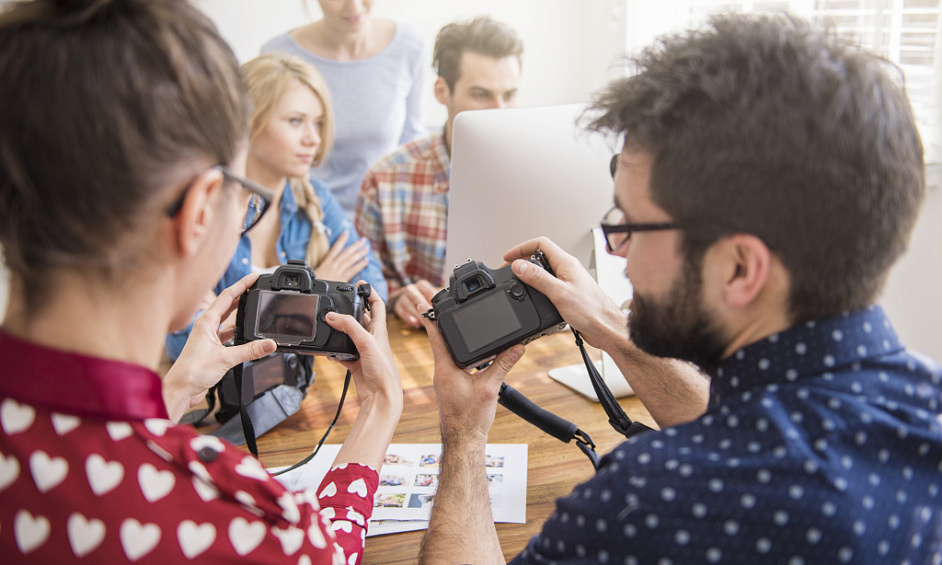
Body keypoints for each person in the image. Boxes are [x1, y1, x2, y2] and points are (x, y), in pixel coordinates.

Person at [417, 13, 941, 564]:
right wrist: (614, 331)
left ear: (740, 268)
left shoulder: (650, 501)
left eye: (630, 225)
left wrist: (464, 437)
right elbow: (741, 432)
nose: (615, 251)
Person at [0, 0, 402, 562]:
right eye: (246, 200)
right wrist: (381, 406)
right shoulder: (233, 510)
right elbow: (323, 553)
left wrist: (173, 395)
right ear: (200, 212)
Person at [164, 52, 388, 360]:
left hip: (300, 387)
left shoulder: (316, 197)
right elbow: (183, 343)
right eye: (296, 121)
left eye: (318, 123)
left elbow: (374, 294)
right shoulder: (208, 209)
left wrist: (251, 318)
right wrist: (313, 297)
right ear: (248, 122)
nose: (314, 139)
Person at [355, 15, 523, 328]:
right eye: (481, 94)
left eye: (509, 94)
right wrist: (395, 297)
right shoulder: (385, 181)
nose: (500, 111)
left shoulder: (535, 172)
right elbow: (361, 286)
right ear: (441, 91)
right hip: (430, 340)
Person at [262, 0, 427, 219]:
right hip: (308, 216)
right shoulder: (279, 55)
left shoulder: (410, 47)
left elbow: (412, 142)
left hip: (385, 217)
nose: (355, 6)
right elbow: (268, 155)